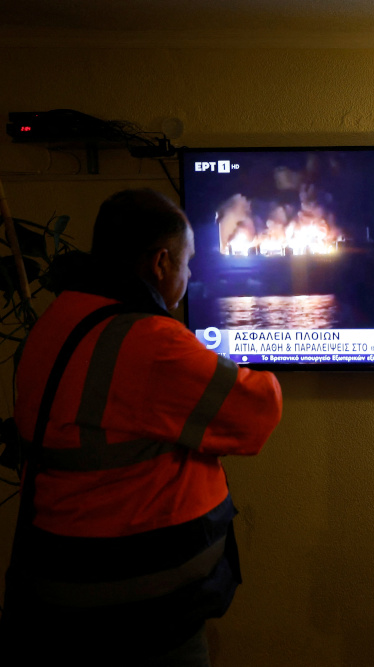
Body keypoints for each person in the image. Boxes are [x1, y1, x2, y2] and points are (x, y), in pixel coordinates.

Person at [0, 189, 282, 665]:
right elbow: (258, 410)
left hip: (59, 591)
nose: (189, 278)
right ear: (160, 263)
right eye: (188, 265)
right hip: (142, 618)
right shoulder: (149, 342)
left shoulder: (57, 321)